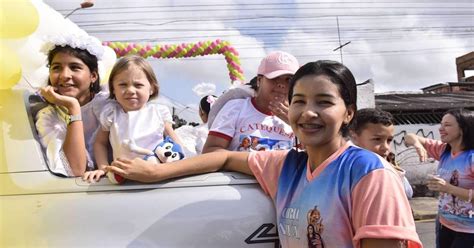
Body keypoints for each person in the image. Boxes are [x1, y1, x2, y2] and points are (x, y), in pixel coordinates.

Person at [105, 60, 422, 248]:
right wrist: (157, 172)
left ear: (349, 113)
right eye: (299, 101)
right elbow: (224, 157)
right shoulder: (288, 165)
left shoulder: (369, 174)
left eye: (323, 102)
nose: (307, 113)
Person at [83, 55, 183, 182]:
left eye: (138, 85)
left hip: (156, 176)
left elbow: (175, 141)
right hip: (122, 177)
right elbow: (100, 143)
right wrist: (103, 168)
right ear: (113, 89)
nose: (130, 90)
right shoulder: (111, 114)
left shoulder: (158, 112)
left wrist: (181, 162)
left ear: (151, 88)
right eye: (123, 85)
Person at [35, 34, 109, 177]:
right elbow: (74, 170)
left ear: (93, 76)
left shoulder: (112, 103)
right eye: (56, 68)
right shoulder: (47, 117)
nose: (64, 75)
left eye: (75, 67)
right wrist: (73, 107)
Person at [202, 51, 298, 153]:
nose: (282, 84)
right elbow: (210, 151)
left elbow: (311, 159)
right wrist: (253, 163)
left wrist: (296, 125)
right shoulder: (236, 108)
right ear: (259, 80)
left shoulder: (299, 118)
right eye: (274, 78)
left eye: (289, 80)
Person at [404, 108, 474, 248]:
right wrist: (418, 144)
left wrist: (448, 188)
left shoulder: (471, 158)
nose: (441, 128)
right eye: (441, 124)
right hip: (444, 223)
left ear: (463, 129)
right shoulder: (443, 150)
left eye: (447, 125)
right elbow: (409, 137)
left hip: (469, 230)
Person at [350, 108, 413, 198]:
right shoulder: (347, 169)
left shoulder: (388, 163)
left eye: (389, 140)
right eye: (377, 139)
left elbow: (408, 194)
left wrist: (396, 174)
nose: (386, 147)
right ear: (354, 137)